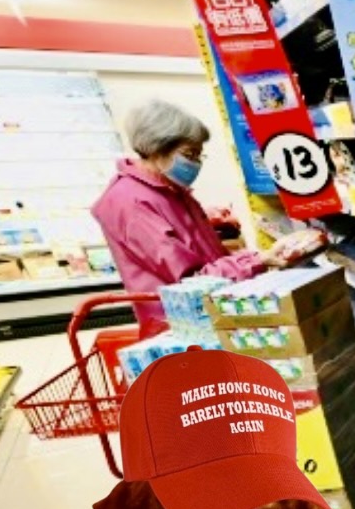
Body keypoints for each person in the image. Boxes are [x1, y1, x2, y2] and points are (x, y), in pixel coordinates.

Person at [93, 99, 290, 334]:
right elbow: (190, 280)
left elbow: (207, 259)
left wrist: (252, 258)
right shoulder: (130, 202)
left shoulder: (171, 191)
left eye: (199, 155)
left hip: (210, 312)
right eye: (189, 154)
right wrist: (256, 261)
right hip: (181, 326)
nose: (196, 163)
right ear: (156, 148)